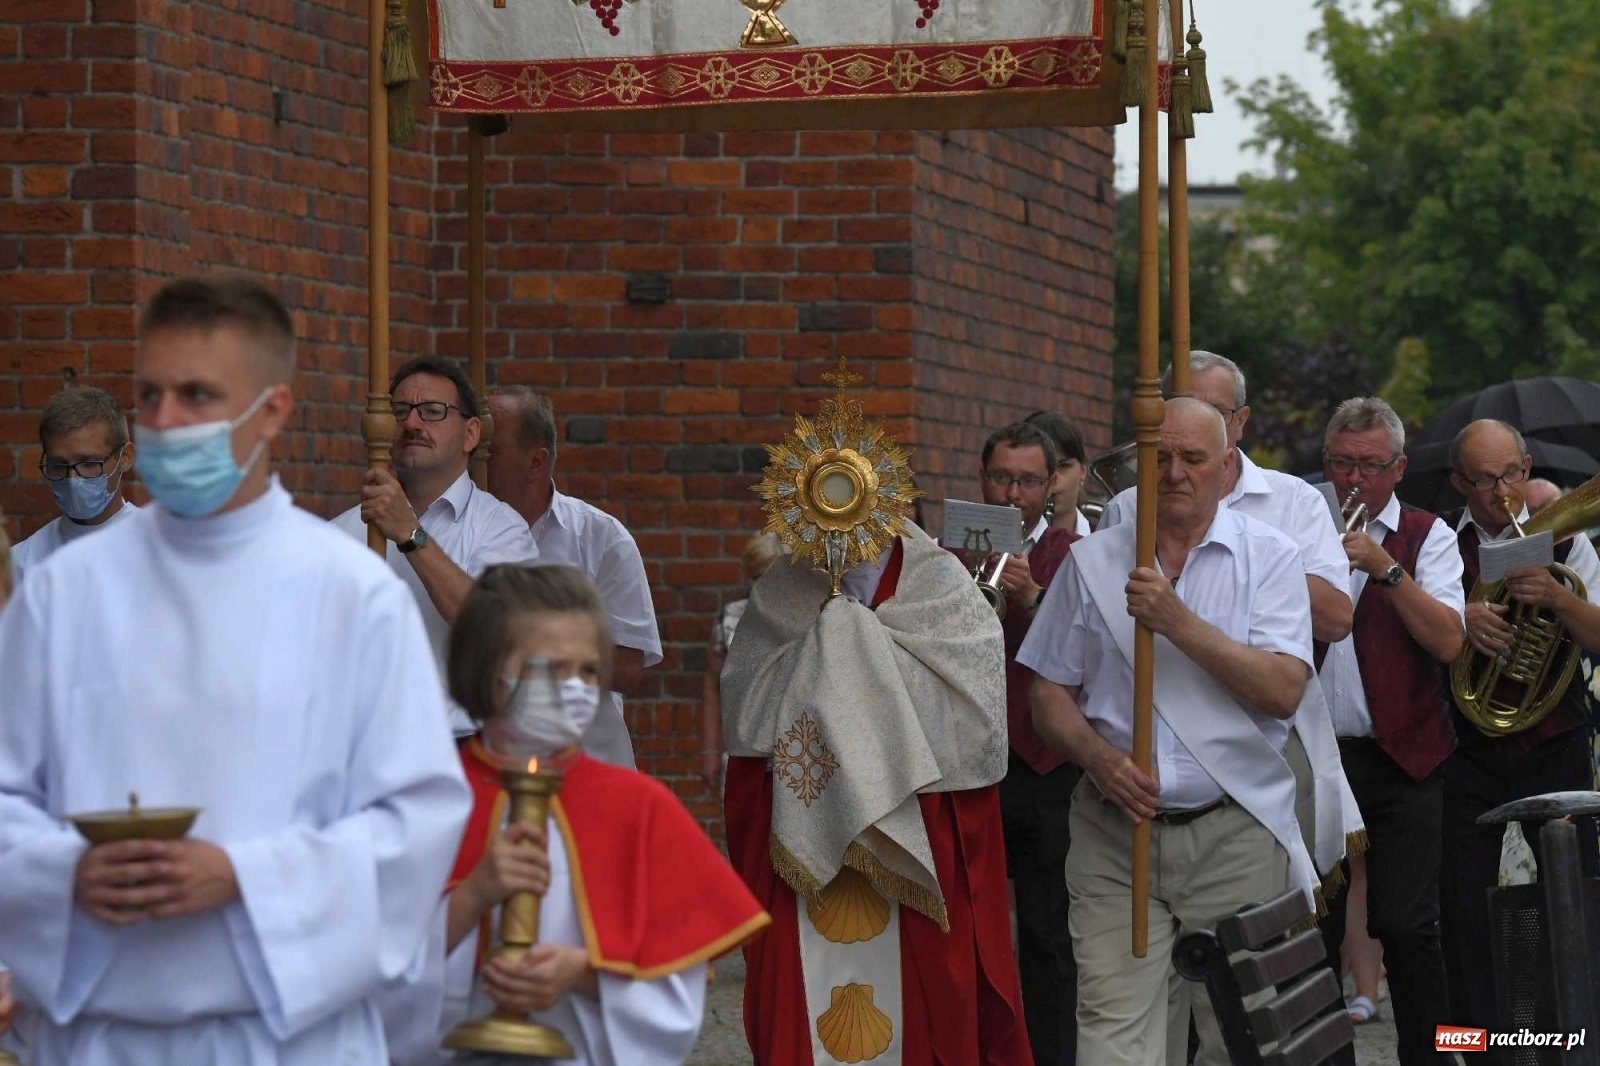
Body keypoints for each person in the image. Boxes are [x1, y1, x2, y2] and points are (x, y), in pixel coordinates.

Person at [0, 274, 471, 1065]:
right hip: (104, 1031)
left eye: (197, 395)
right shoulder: (62, 593)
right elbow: (7, 794)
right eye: (149, 396)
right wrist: (67, 872)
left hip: (287, 1031)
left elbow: (416, 824)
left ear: (272, 412)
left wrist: (247, 876)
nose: (166, 421)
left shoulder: (352, 594)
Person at [721, 403, 1032, 1065]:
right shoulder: (780, 592)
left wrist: (854, 660)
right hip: (805, 852)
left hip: (918, 836)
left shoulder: (942, 587)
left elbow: (974, 727)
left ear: (892, 502)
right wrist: (834, 655)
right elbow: (748, 722)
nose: (844, 531)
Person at [1021, 397, 1318, 1066]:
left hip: (1233, 829)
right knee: (1111, 1028)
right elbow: (1048, 694)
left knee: (1239, 1032)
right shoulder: (1093, 561)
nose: (1176, 473)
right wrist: (1097, 759)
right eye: (1160, 458)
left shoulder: (1270, 556)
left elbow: (1282, 690)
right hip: (1113, 833)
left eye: (1193, 458)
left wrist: (1175, 621)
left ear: (1226, 467)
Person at [387, 564, 769, 1065]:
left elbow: (676, 992)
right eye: (549, 667)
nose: (574, 688)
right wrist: (472, 897)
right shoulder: (425, 799)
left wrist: (586, 974)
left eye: (588, 671)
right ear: (485, 668)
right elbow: (366, 968)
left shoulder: (637, 806)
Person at [1441, 419, 1600, 1057]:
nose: (1501, 492)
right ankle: (1472, 1045)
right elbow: (1425, 631)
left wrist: (1558, 602)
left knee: (1579, 895)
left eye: (1511, 473)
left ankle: (1578, 1038)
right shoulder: (1437, 544)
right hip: (1464, 748)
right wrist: (1463, 620)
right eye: (1484, 479)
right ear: (1460, 482)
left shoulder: (1568, 540)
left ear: (1527, 465)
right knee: (1461, 907)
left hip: (1554, 738)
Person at [1316, 398, 1463, 1065]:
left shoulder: (1428, 534)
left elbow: (1449, 642)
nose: (1354, 480)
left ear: (1398, 467)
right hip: (1317, 758)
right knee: (1313, 929)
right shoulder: (1298, 525)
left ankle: (1428, 1058)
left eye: (1370, 465)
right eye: (1342, 463)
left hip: (1405, 756)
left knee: (1408, 927)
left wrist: (1386, 569)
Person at [332, 356, 538, 735]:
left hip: (461, 748)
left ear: (471, 434)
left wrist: (411, 534)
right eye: (400, 411)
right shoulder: (341, 534)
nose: (411, 424)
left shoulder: (501, 529)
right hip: (361, 747)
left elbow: (496, 631)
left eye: (432, 411)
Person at [961, 420, 1082, 1066]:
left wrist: (1033, 596)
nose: (1014, 493)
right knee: (971, 927)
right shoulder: (956, 550)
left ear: (1050, 485)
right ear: (983, 479)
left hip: (1045, 767)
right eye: (1002, 478)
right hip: (972, 760)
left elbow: (1087, 654)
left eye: (1028, 481)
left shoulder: (1070, 553)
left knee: (1046, 934)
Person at [483, 386, 661, 768]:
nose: (475, 463)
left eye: (489, 452)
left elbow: (629, 669)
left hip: (586, 758)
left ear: (535, 462)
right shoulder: (457, 531)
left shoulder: (602, 538)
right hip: (488, 758)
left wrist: (524, 643)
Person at [10, 385, 139, 586]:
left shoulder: (163, 551)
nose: (72, 479)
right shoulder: (21, 565)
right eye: (59, 465)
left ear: (125, 457)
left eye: (88, 463)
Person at [700, 532, 782, 792]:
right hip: (742, 751)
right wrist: (710, 752)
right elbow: (713, 686)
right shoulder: (731, 618)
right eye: (758, 577)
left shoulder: (815, 616)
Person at [1025, 410, 1091, 536]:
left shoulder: (1104, 542)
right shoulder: (1000, 544)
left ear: (1083, 470)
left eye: (1063, 466)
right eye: (1041, 466)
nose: (1053, 478)